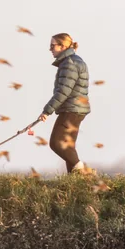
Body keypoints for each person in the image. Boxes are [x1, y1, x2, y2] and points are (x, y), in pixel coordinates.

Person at [38, 33, 91, 174]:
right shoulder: (72, 61)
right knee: (68, 146)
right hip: (76, 109)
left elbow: (63, 92)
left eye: (52, 45)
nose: (50, 49)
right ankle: (75, 182)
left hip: (72, 110)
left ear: (63, 46)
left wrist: (47, 111)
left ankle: (83, 171)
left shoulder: (70, 64)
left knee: (56, 143)